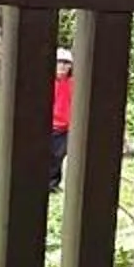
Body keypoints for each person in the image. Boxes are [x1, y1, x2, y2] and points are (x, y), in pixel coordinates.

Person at [49, 48, 75, 188]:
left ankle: (53, 184)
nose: (62, 66)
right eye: (59, 62)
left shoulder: (74, 83)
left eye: (66, 63)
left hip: (65, 127)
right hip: (50, 125)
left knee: (57, 156)